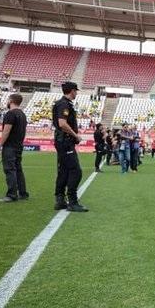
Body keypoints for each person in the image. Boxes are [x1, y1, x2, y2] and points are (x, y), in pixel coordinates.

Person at [52, 81, 88, 212]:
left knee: (64, 171)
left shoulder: (62, 103)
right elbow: (62, 123)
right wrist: (75, 135)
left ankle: (60, 200)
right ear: (72, 91)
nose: (76, 93)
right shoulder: (64, 104)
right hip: (65, 141)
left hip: (62, 141)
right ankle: (72, 201)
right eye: (75, 91)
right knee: (75, 171)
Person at [0, 93, 29, 202]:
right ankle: (23, 193)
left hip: (10, 147)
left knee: (10, 170)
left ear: (11, 101)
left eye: (8, 100)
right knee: (18, 170)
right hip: (18, 146)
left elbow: (6, 132)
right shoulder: (22, 114)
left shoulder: (10, 114)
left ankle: (12, 195)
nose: (7, 102)